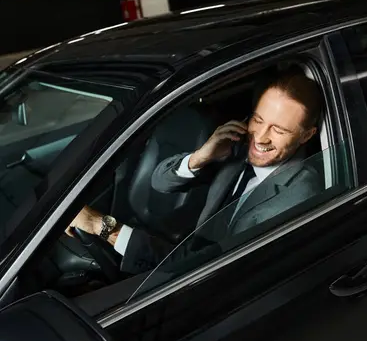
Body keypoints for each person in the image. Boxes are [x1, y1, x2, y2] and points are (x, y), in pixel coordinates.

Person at [68, 67, 323, 275]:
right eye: (258, 120)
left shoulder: (295, 197)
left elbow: (205, 267)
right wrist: (201, 157)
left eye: (278, 131)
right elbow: (161, 182)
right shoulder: (239, 147)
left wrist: (100, 226)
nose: (261, 138)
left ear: (306, 136)